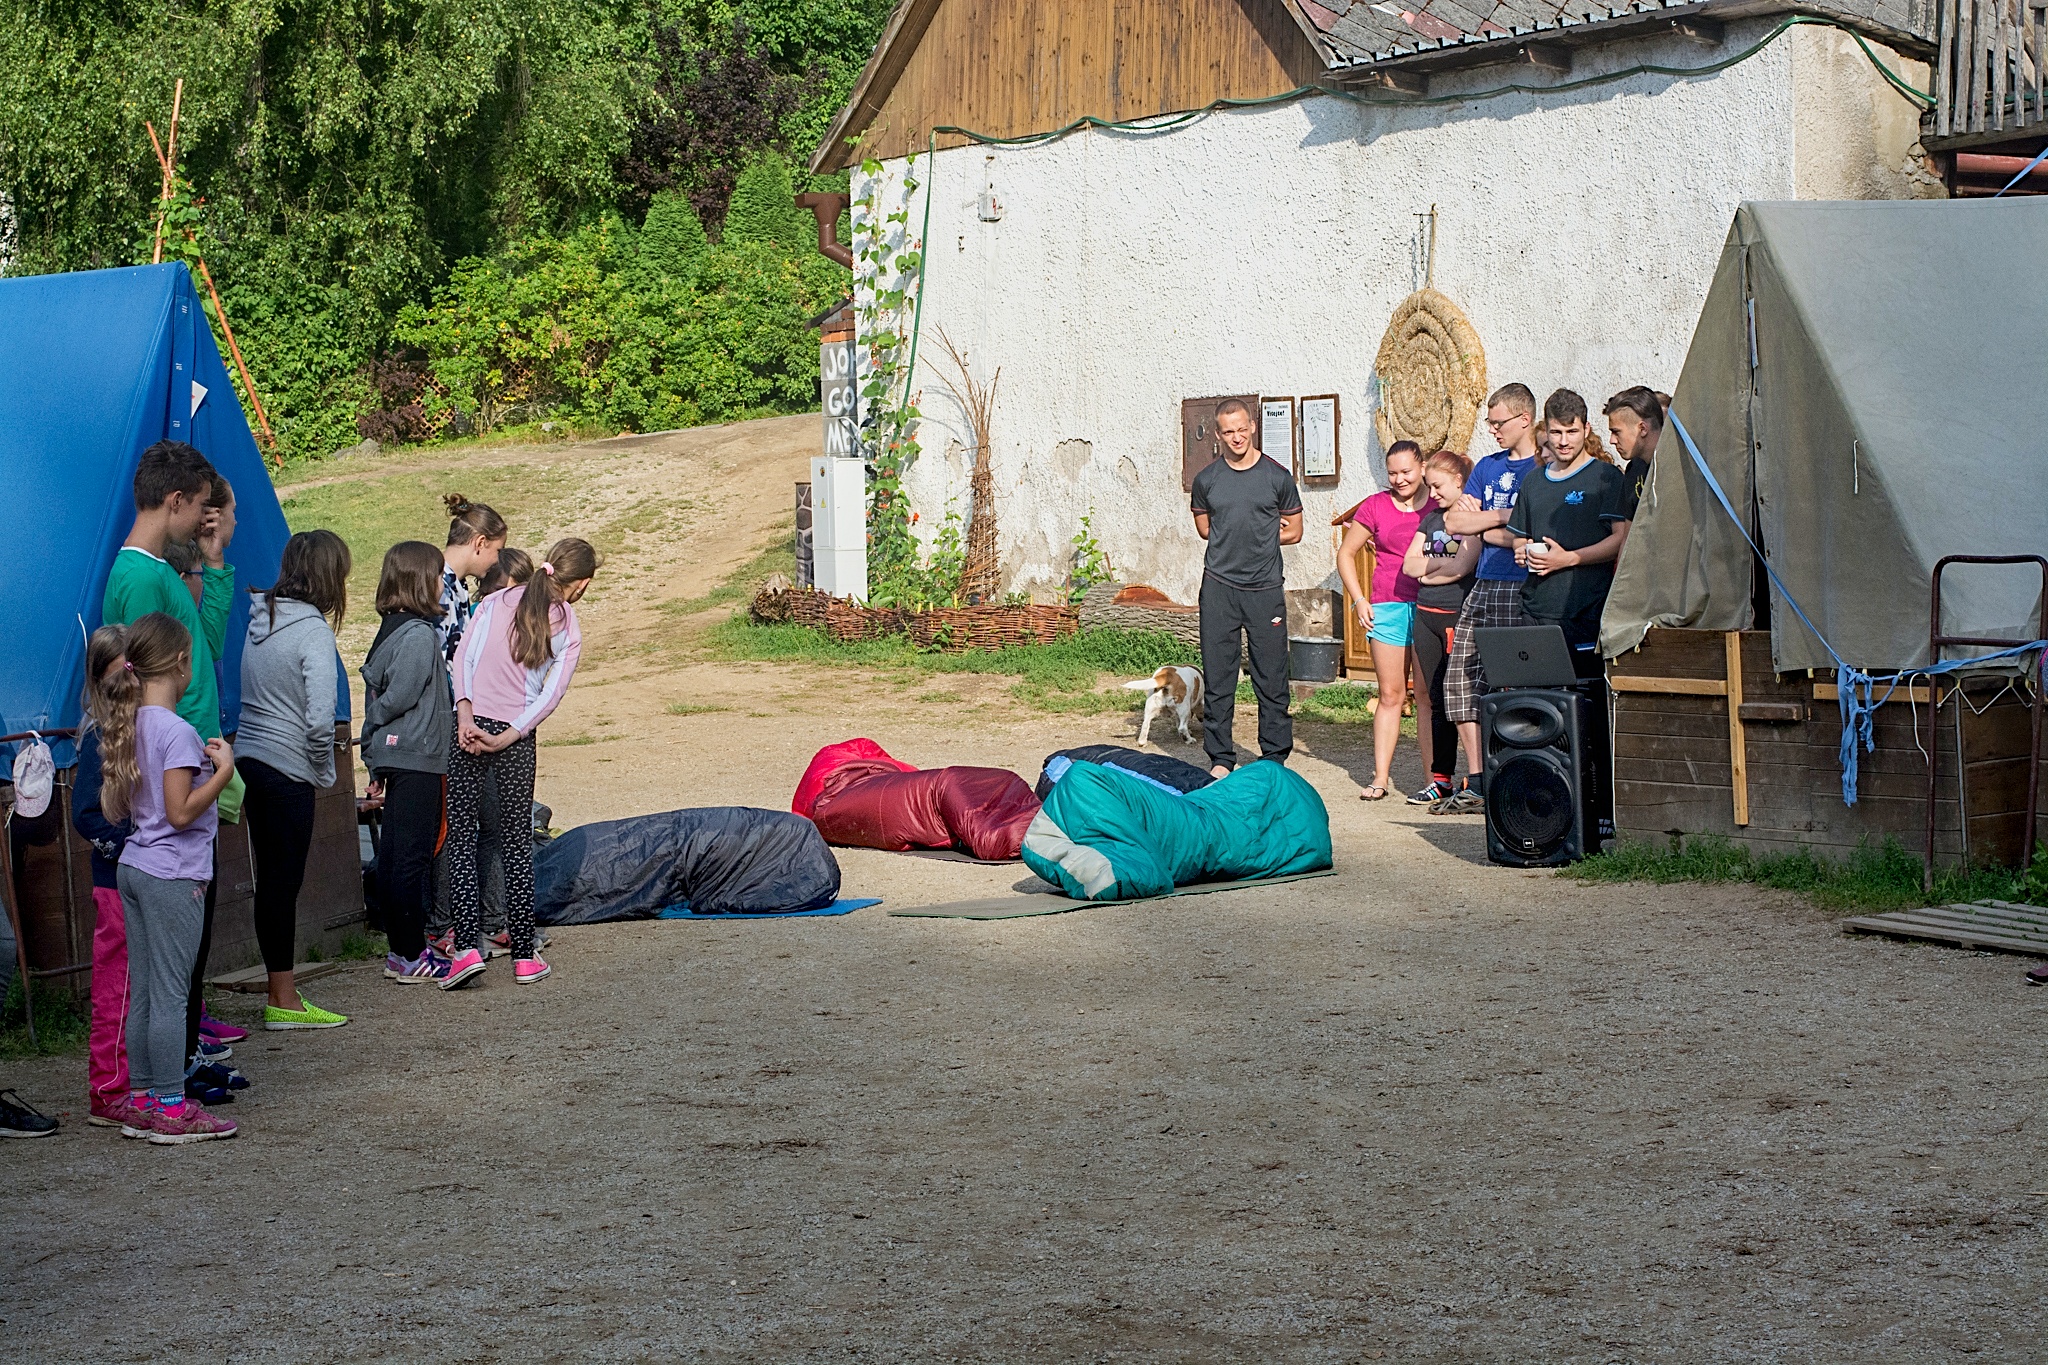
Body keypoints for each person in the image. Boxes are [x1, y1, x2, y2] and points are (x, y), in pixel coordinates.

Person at [102, 440, 236, 1084]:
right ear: (175, 500)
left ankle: (171, 1073)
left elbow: (205, 647)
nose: (205, 519)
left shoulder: (162, 570)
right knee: (170, 967)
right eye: (200, 507)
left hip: (192, 756)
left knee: (187, 951)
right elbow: (144, 682)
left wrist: (213, 563)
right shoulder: (137, 577)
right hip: (177, 771)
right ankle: (167, 1083)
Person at [101, 612, 240, 1144]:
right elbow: (181, 813)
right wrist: (223, 772)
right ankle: (170, 1106)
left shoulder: (131, 723)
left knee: (144, 993)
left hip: (135, 866)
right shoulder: (178, 732)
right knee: (171, 996)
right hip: (172, 873)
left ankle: (143, 1099)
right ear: (182, 663)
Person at [443, 538, 599, 989]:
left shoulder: (494, 602)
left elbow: (463, 658)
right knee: (515, 842)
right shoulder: (568, 625)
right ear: (581, 584)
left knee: (462, 838)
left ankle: (465, 949)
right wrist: (511, 734)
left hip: (469, 728)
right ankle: (525, 956)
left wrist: (465, 717)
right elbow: (551, 693)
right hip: (515, 736)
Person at [237, 529, 353, 1032]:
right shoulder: (313, 632)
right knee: (283, 884)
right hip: (287, 770)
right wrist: (321, 770)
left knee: (270, 883)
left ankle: (279, 991)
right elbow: (320, 719)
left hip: (250, 760)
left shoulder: (259, 619)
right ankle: (283, 1001)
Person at [1438, 384, 1542, 814]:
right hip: (1485, 584)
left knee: (1522, 683)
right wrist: (1504, 521)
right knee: (1460, 679)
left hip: (1526, 585)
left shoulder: (1542, 466)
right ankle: (1478, 779)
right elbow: (1454, 522)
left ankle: (1523, 774)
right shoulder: (1487, 466)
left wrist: (1484, 522)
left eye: (1499, 423)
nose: (1493, 430)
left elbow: (1533, 528)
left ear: (1524, 419)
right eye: (1490, 423)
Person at [1188, 399, 1303, 778]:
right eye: (1228, 432)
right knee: (1219, 677)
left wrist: (1261, 539)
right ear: (1218, 434)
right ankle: (1221, 758)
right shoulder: (1206, 480)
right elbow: (1205, 529)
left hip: (1264, 589)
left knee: (1271, 677)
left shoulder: (1277, 477)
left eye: (1241, 429)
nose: (1236, 437)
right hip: (1219, 588)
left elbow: (1295, 530)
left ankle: (1274, 757)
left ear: (1252, 426)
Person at [362, 543, 456, 984]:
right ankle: (413, 952)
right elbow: (398, 695)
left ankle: (400, 952)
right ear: (422, 581)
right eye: (437, 576)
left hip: (398, 756)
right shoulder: (419, 635)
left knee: (395, 855)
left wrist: (374, 751)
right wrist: (376, 722)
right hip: (418, 757)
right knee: (412, 860)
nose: (441, 584)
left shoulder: (391, 629)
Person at [429, 495, 507, 950]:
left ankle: (478, 920)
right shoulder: (437, 587)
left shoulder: (456, 588)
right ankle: (446, 926)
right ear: (479, 543)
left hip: (465, 714)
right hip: (447, 721)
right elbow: (443, 660)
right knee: (453, 826)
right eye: (495, 550)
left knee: (481, 820)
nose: (495, 561)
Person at [1505, 388, 1633, 661]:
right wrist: (1522, 550)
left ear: (1586, 429)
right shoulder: (1533, 481)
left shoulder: (1606, 477)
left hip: (1586, 613)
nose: (1563, 441)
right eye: (1556, 432)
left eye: (1571, 432)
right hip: (1535, 611)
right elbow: (1519, 535)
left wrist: (1568, 559)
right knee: (1536, 688)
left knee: (1583, 688)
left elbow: (1620, 539)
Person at [1336, 442, 1430, 801]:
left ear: (1422, 468)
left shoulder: (1438, 504)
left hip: (1430, 606)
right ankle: (1381, 777)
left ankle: (1433, 779)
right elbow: (1346, 553)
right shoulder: (1375, 506)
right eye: (1392, 473)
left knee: (1426, 697)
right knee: (1391, 695)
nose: (1399, 479)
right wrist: (1359, 599)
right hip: (1387, 607)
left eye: (1406, 471)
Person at [1401, 450, 1482, 808]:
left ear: (1459, 481)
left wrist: (1428, 570)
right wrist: (1437, 567)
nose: (1431, 493)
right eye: (1429, 486)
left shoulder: (1471, 519)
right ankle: (1440, 779)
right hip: (1425, 617)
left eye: (1437, 486)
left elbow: (1462, 567)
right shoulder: (1431, 519)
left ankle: (1478, 776)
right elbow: (1408, 565)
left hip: (1455, 615)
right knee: (1435, 698)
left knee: (1458, 699)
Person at [1604, 385, 1665, 519]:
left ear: (1643, 429)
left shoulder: (1678, 469)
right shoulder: (1635, 469)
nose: (1612, 440)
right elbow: (1630, 531)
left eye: (1616, 432)